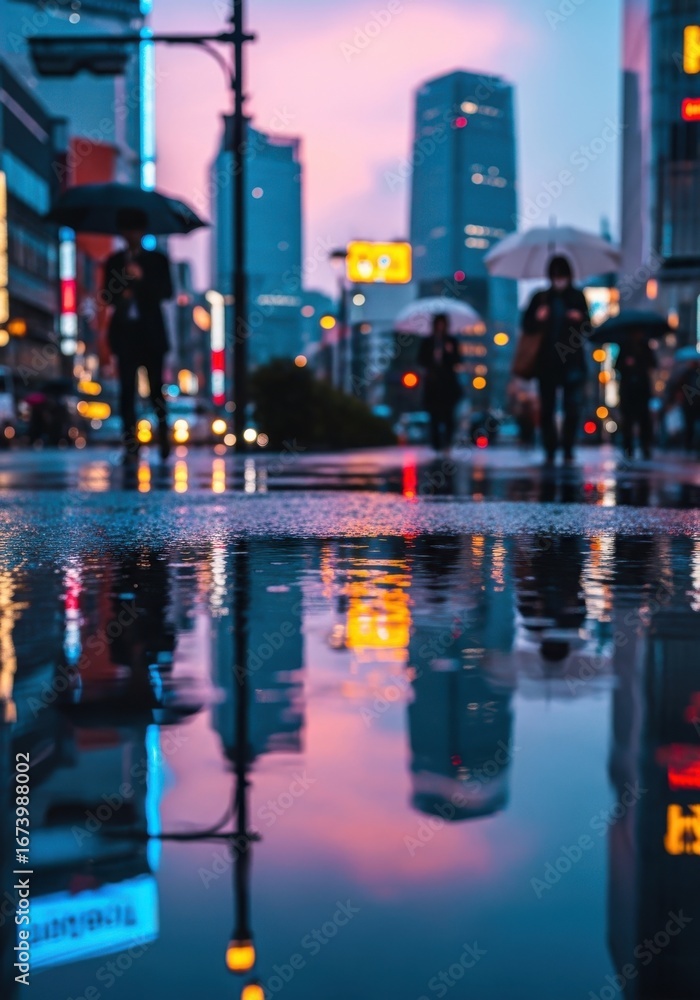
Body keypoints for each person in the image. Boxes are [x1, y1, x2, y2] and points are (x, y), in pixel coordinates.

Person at [102, 208, 173, 461]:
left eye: (135, 230)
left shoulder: (157, 260)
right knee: (127, 391)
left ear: (142, 232)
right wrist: (123, 287)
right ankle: (131, 446)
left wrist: (141, 280)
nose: (131, 235)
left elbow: (166, 292)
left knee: (156, 390)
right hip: (125, 334)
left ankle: (163, 439)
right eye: (127, 230)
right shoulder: (114, 261)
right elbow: (107, 295)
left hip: (151, 335)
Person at [522, 256, 591, 465]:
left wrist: (580, 318)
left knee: (572, 407)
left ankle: (568, 447)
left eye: (562, 275)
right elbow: (526, 325)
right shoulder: (541, 298)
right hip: (546, 362)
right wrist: (538, 318)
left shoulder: (577, 297)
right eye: (555, 275)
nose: (559, 279)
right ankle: (550, 448)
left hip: (572, 361)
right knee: (547, 408)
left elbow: (589, 327)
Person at [417, 313, 462, 451]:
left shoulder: (451, 341)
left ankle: (447, 443)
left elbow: (458, 361)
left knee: (449, 416)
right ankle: (436, 445)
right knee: (434, 416)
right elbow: (420, 360)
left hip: (448, 386)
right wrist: (432, 358)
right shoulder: (428, 342)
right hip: (432, 385)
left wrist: (449, 352)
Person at [616, 329, 656, 460]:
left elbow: (653, 363)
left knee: (644, 420)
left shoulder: (645, 346)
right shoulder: (624, 346)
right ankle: (628, 449)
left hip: (642, 389)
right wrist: (626, 363)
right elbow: (617, 365)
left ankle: (645, 447)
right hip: (628, 389)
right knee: (628, 420)